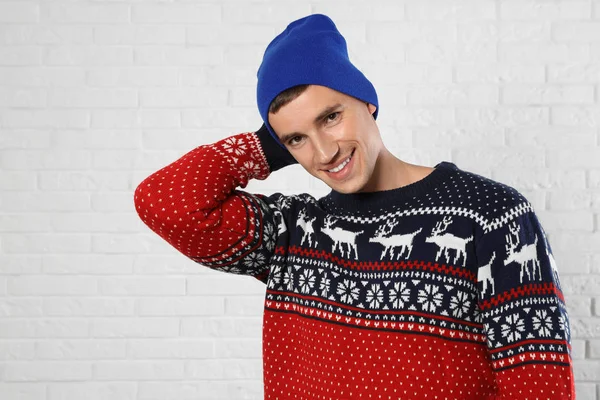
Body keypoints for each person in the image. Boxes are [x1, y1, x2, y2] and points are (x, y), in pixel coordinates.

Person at [134, 13, 575, 399]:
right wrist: (268, 146)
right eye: (297, 139)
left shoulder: (490, 215)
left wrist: (295, 131)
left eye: (331, 116)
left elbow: (539, 390)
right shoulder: (294, 232)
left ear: (367, 100)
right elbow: (165, 202)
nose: (324, 152)